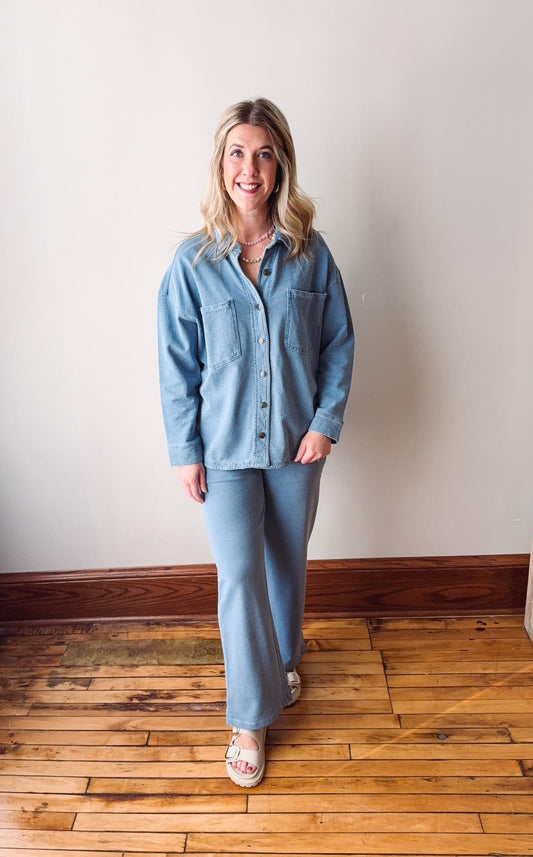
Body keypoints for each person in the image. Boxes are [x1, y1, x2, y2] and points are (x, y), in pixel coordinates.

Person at [158, 98, 354, 788]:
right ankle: (249, 716)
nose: (250, 167)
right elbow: (176, 364)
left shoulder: (310, 253)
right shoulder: (192, 262)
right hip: (224, 451)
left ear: (281, 166)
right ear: (222, 165)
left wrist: (325, 420)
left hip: (297, 446)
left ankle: (281, 661)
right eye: (238, 152)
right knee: (239, 577)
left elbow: (337, 343)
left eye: (264, 153)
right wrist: (185, 448)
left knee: (285, 565)